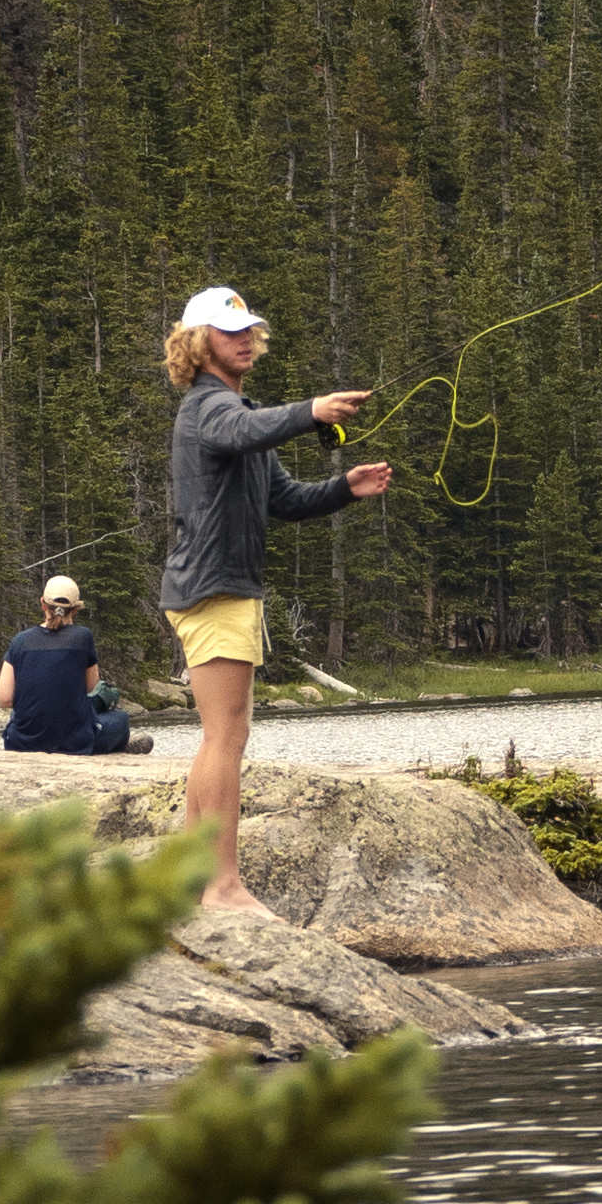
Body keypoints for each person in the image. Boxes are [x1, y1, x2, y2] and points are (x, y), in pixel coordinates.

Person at [155, 285, 388, 909]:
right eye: (230, 330)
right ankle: (222, 885)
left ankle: (196, 878)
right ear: (200, 342)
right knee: (225, 735)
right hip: (213, 588)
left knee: (222, 734)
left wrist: (345, 487)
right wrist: (311, 411)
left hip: (221, 588)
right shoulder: (208, 408)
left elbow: (282, 500)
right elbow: (243, 429)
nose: (245, 338)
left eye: (248, 329)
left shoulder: (238, 412)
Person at [0, 574, 135, 755]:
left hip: (21, 743)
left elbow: (4, 698)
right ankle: (121, 748)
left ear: (42, 604)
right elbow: (92, 686)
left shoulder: (20, 641)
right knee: (121, 719)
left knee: (16, 716)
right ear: (75, 609)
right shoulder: (82, 637)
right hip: (73, 743)